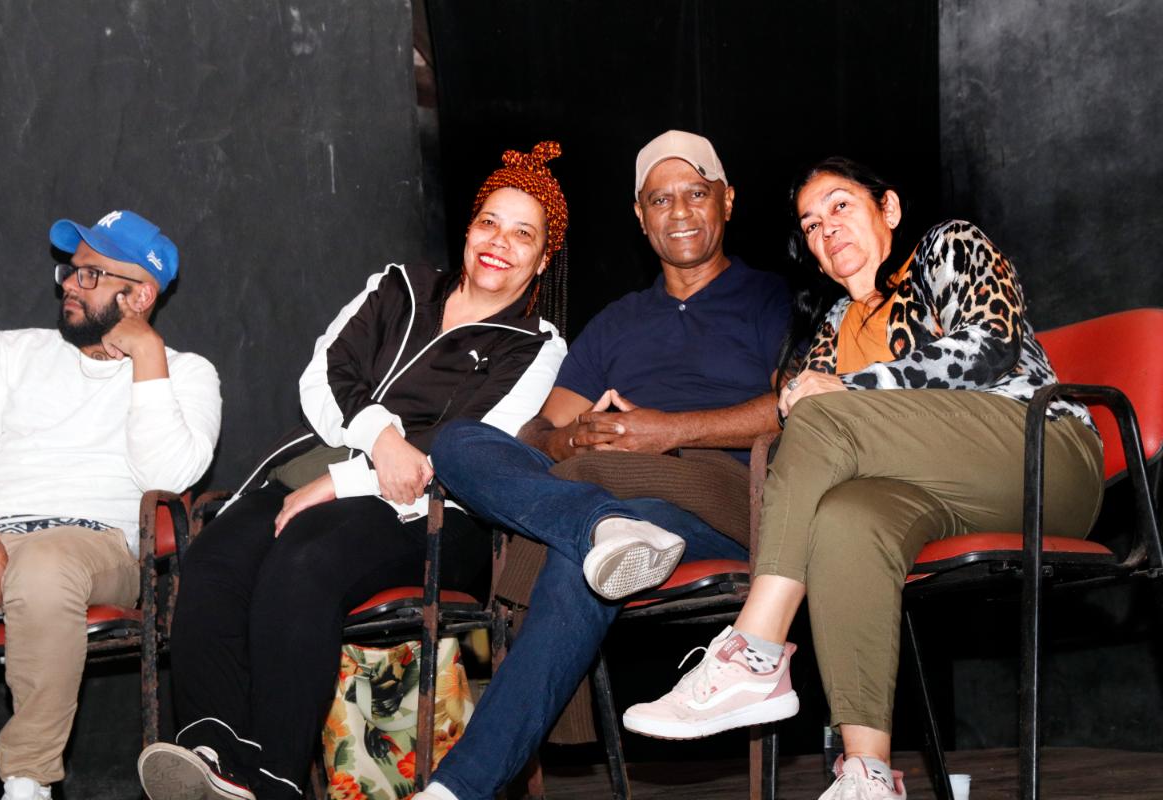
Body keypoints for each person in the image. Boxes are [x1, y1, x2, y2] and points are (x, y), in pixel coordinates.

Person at [624, 156, 1105, 799]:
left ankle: (755, 650)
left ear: (889, 209)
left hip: (1043, 458)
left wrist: (847, 388)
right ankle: (868, 772)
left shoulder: (946, 249)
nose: (826, 229)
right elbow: (807, 417)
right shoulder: (832, 331)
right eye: (811, 224)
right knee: (844, 522)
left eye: (841, 206)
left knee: (822, 413)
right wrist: (813, 391)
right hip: (945, 494)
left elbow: (987, 347)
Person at [136, 141, 570, 800]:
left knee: (306, 557)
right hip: (319, 469)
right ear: (468, 229)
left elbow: (470, 446)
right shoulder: (398, 286)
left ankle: (274, 780)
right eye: (489, 222)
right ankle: (213, 752)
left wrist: (347, 480)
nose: (498, 243)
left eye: (522, 234)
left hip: (440, 514)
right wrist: (381, 437)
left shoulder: (537, 347)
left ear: (541, 259)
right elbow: (324, 376)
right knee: (216, 555)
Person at [415, 130, 790, 800]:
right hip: (626, 502)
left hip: (729, 499)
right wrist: (572, 440)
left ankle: (592, 521)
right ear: (640, 217)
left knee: (585, 525)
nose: (679, 212)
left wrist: (666, 432)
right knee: (459, 443)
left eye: (695, 194)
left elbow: (794, 408)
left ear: (727, 201)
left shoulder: (773, 299)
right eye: (660, 200)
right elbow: (537, 431)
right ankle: (453, 793)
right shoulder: (619, 322)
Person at [0, 211, 222, 800]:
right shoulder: (13, 351)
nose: (70, 286)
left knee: (45, 566)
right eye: (71, 272)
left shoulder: (187, 373)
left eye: (90, 275)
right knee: (32, 564)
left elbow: (167, 478)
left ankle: (26, 782)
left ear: (141, 295)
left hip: (95, 548)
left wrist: (148, 359)